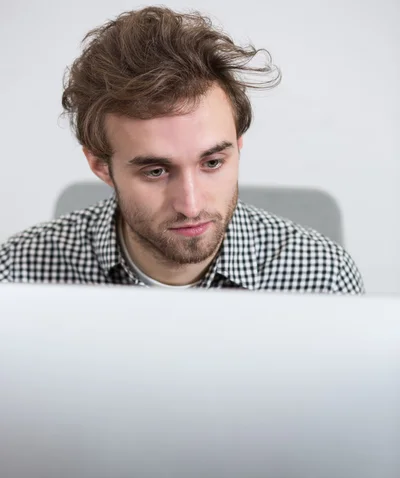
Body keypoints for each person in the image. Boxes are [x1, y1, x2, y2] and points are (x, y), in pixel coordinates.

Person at [0, 6, 364, 292]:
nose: (191, 205)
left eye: (212, 162)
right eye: (155, 171)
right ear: (100, 165)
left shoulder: (324, 277)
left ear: (238, 146)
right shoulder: (17, 273)